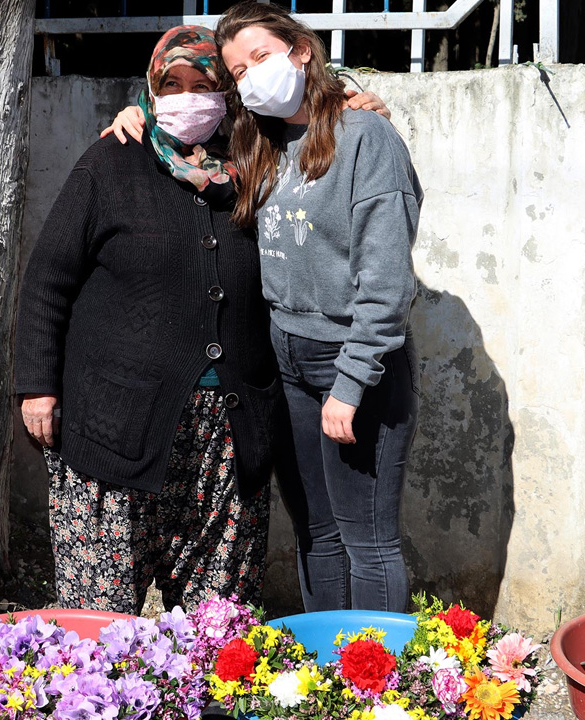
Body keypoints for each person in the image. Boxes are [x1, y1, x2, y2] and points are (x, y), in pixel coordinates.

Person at [13, 26, 283, 614]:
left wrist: (355, 95)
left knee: (219, 626)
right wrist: (37, 386)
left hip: (228, 435)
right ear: (151, 90)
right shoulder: (113, 159)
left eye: (202, 84)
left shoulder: (259, 162)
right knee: (99, 626)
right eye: (172, 85)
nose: (187, 98)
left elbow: (315, 102)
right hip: (116, 423)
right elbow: (49, 278)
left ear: (227, 94)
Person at [215, 2, 424, 613]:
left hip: (353, 361)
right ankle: (324, 676)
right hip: (288, 360)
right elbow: (180, 115)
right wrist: (133, 114)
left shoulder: (367, 137)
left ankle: (377, 690)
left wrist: (352, 382)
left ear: (300, 50)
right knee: (317, 533)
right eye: (238, 72)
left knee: (368, 539)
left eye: (261, 57)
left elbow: (385, 282)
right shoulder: (261, 142)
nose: (251, 77)